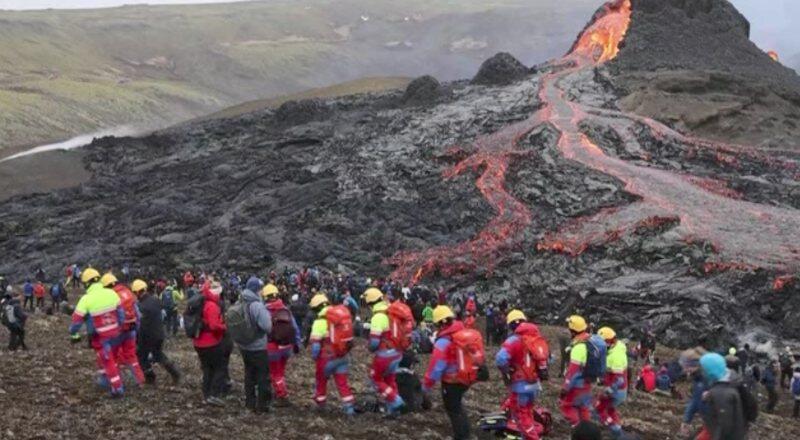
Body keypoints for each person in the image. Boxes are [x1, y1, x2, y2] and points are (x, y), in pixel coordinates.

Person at [68, 268, 126, 396]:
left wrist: (73, 333)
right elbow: (121, 314)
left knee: (107, 361)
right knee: (111, 359)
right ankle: (106, 382)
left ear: (86, 283)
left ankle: (117, 388)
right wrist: (119, 328)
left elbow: (76, 322)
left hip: (100, 337)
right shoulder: (111, 293)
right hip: (116, 334)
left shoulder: (86, 299)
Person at [495, 310, 548, 440]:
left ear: (511, 325)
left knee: (521, 416)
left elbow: (500, 359)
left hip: (520, 386)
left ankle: (533, 437)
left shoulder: (514, 340)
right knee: (527, 413)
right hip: (534, 385)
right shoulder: (537, 339)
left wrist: (508, 371)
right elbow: (547, 358)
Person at [422, 305, 471, 440]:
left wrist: (426, 386)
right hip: (466, 377)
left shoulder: (443, 341)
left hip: (451, 381)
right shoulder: (463, 332)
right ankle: (466, 433)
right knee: (458, 407)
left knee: (453, 409)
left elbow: (436, 368)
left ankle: (462, 437)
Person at [309, 293, 355, 415]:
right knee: (342, 383)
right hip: (343, 356)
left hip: (326, 359)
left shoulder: (319, 322)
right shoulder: (339, 319)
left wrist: (314, 357)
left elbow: (315, 346)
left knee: (321, 381)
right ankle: (349, 408)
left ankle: (321, 405)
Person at [364, 287, 405, 416]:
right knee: (390, 380)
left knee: (375, 379)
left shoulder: (378, 317)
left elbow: (375, 342)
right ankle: (393, 411)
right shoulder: (391, 312)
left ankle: (395, 400)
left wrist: (370, 347)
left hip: (385, 354)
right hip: (397, 352)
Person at [132, 279, 181, 385]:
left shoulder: (140, 306)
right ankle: (175, 372)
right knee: (158, 355)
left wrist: (138, 340)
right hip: (159, 333)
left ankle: (150, 378)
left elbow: (142, 325)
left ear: (136, 292)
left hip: (147, 336)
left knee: (141, 356)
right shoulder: (155, 300)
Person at [236, 278, 273, 413]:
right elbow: (267, 326)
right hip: (257, 346)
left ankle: (250, 402)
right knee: (263, 375)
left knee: (249, 374)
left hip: (243, 345)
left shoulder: (240, 301)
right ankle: (262, 405)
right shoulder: (257, 305)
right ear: (257, 289)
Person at [101, 273, 144, 386]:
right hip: (131, 329)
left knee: (113, 357)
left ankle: (115, 381)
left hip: (118, 331)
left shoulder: (111, 295)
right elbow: (138, 314)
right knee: (131, 356)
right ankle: (140, 380)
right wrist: (137, 329)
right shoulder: (128, 292)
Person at [263, 283, 302, 406]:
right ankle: (279, 388)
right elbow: (295, 328)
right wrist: (297, 344)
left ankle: (282, 395)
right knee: (280, 371)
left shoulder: (265, 311)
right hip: (287, 347)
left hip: (273, 347)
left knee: (275, 372)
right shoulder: (285, 309)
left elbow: (264, 329)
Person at [192, 281, 228, 406]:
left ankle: (206, 394)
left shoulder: (202, 303)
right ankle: (213, 394)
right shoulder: (212, 306)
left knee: (207, 368)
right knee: (219, 368)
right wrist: (224, 327)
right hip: (211, 342)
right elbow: (214, 326)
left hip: (199, 342)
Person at [699, 353, 747, 440]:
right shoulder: (727, 385)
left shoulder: (720, 393)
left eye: (703, 369)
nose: (702, 372)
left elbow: (724, 426)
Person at [560, 315, 594, 427]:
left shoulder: (578, 347)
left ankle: (578, 429)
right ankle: (587, 431)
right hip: (587, 383)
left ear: (573, 331)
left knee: (567, 406)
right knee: (584, 408)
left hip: (577, 385)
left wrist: (565, 387)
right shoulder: (590, 341)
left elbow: (573, 371)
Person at [595, 326, 628, 438]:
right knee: (610, 409)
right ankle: (617, 427)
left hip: (616, 389)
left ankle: (615, 430)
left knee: (599, 409)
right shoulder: (617, 347)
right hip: (619, 389)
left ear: (608, 341)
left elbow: (619, 379)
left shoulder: (616, 356)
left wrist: (608, 391)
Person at [679, 347, 708, 438]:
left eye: (686, 366)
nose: (685, 370)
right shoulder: (697, 378)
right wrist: (686, 420)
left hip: (718, 424)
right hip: (709, 422)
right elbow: (695, 400)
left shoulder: (708, 377)